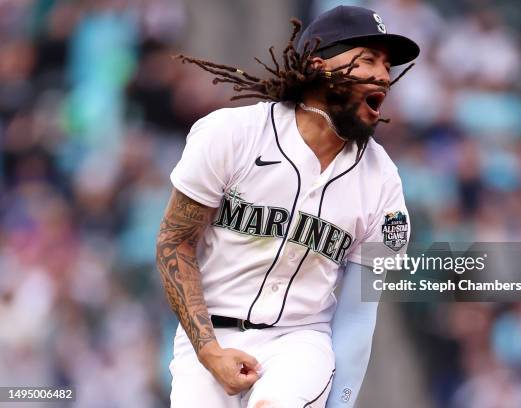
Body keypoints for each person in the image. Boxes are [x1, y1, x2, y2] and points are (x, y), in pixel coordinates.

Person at [155, 5, 419, 407]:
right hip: (209, 337)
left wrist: (341, 402)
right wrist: (209, 352)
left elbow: (357, 316)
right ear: (318, 66)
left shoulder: (383, 183)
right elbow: (174, 242)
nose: (383, 75)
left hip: (300, 341)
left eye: (386, 65)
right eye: (367, 60)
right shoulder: (233, 135)